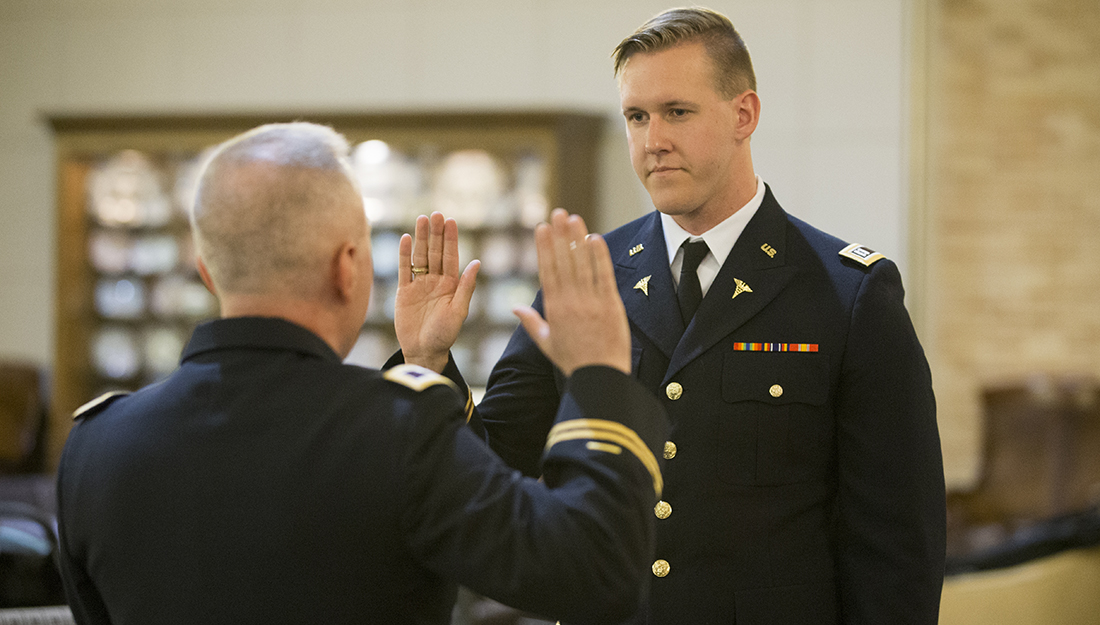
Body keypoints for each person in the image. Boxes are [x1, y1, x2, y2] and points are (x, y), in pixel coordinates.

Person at [396, 7, 946, 625]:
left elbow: (898, 546)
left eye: (676, 112)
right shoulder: (588, 279)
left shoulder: (849, 295)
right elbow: (492, 480)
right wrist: (427, 361)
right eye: (637, 116)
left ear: (745, 115)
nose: (652, 140)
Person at [55, 122, 670, 625]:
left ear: (208, 274)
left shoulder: (96, 444)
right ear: (349, 268)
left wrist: (424, 364)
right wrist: (597, 376)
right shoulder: (399, 431)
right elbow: (595, 576)